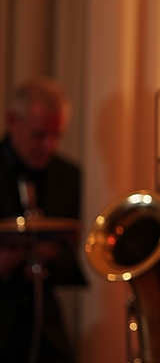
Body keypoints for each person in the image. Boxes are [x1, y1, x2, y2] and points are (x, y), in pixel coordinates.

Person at [0, 77, 86, 363]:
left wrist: (52, 257)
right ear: (13, 120)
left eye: (57, 135)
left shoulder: (68, 175)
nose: (49, 146)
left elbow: (70, 261)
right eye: (39, 135)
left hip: (44, 328)